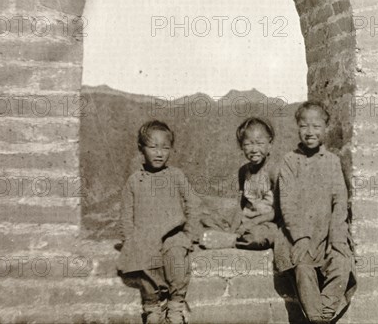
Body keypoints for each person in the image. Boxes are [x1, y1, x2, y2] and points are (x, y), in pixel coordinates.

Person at [274, 102, 357, 324]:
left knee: (341, 264)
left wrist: (337, 238)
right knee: (303, 268)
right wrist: (300, 237)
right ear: (297, 128)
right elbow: (287, 203)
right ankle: (318, 319)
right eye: (304, 126)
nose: (310, 132)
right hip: (297, 235)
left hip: (328, 234)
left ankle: (321, 317)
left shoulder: (332, 162)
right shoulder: (290, 161)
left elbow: (340, 201)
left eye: (316, 126)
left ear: (325, 128)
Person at [117, 120, 200, 324]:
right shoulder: (135, 180)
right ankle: (152, 306)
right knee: (142, 259)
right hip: (145, 235)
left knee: (177, 258)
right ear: (141, 149)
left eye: (165, 147)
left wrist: (190, 234)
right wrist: (129, 239)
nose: (159, 153)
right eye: (153, 147)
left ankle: (175, 305)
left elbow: (193, 202)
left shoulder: (176, 175)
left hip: (174, 234)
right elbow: (126, 214)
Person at [200, 117, 279, 250]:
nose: (254, 150)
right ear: (241, 146)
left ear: (269, 144)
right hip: (247, 220)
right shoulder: (244, 171)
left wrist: (253, 222)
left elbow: (280, 211)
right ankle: (234, 237)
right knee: (206, 218)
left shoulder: (274, 170)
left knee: (258, 237)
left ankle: (231, 241)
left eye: (259, 143)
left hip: (268, 222)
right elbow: (241, 204)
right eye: (248, 144)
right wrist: (235, 227)